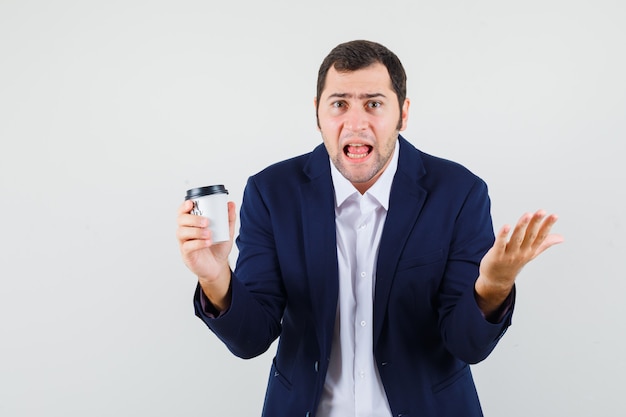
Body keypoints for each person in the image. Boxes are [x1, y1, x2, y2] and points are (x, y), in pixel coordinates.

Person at [176, 40, 563, 417]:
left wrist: (493, 287)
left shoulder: (459, 192)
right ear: (317, 114)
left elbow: (467, 345)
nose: (356, 123)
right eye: (339, 104)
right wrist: (215, 278)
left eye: (374, 104)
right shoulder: (271, 192)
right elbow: (251, 338)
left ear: (403, 113)